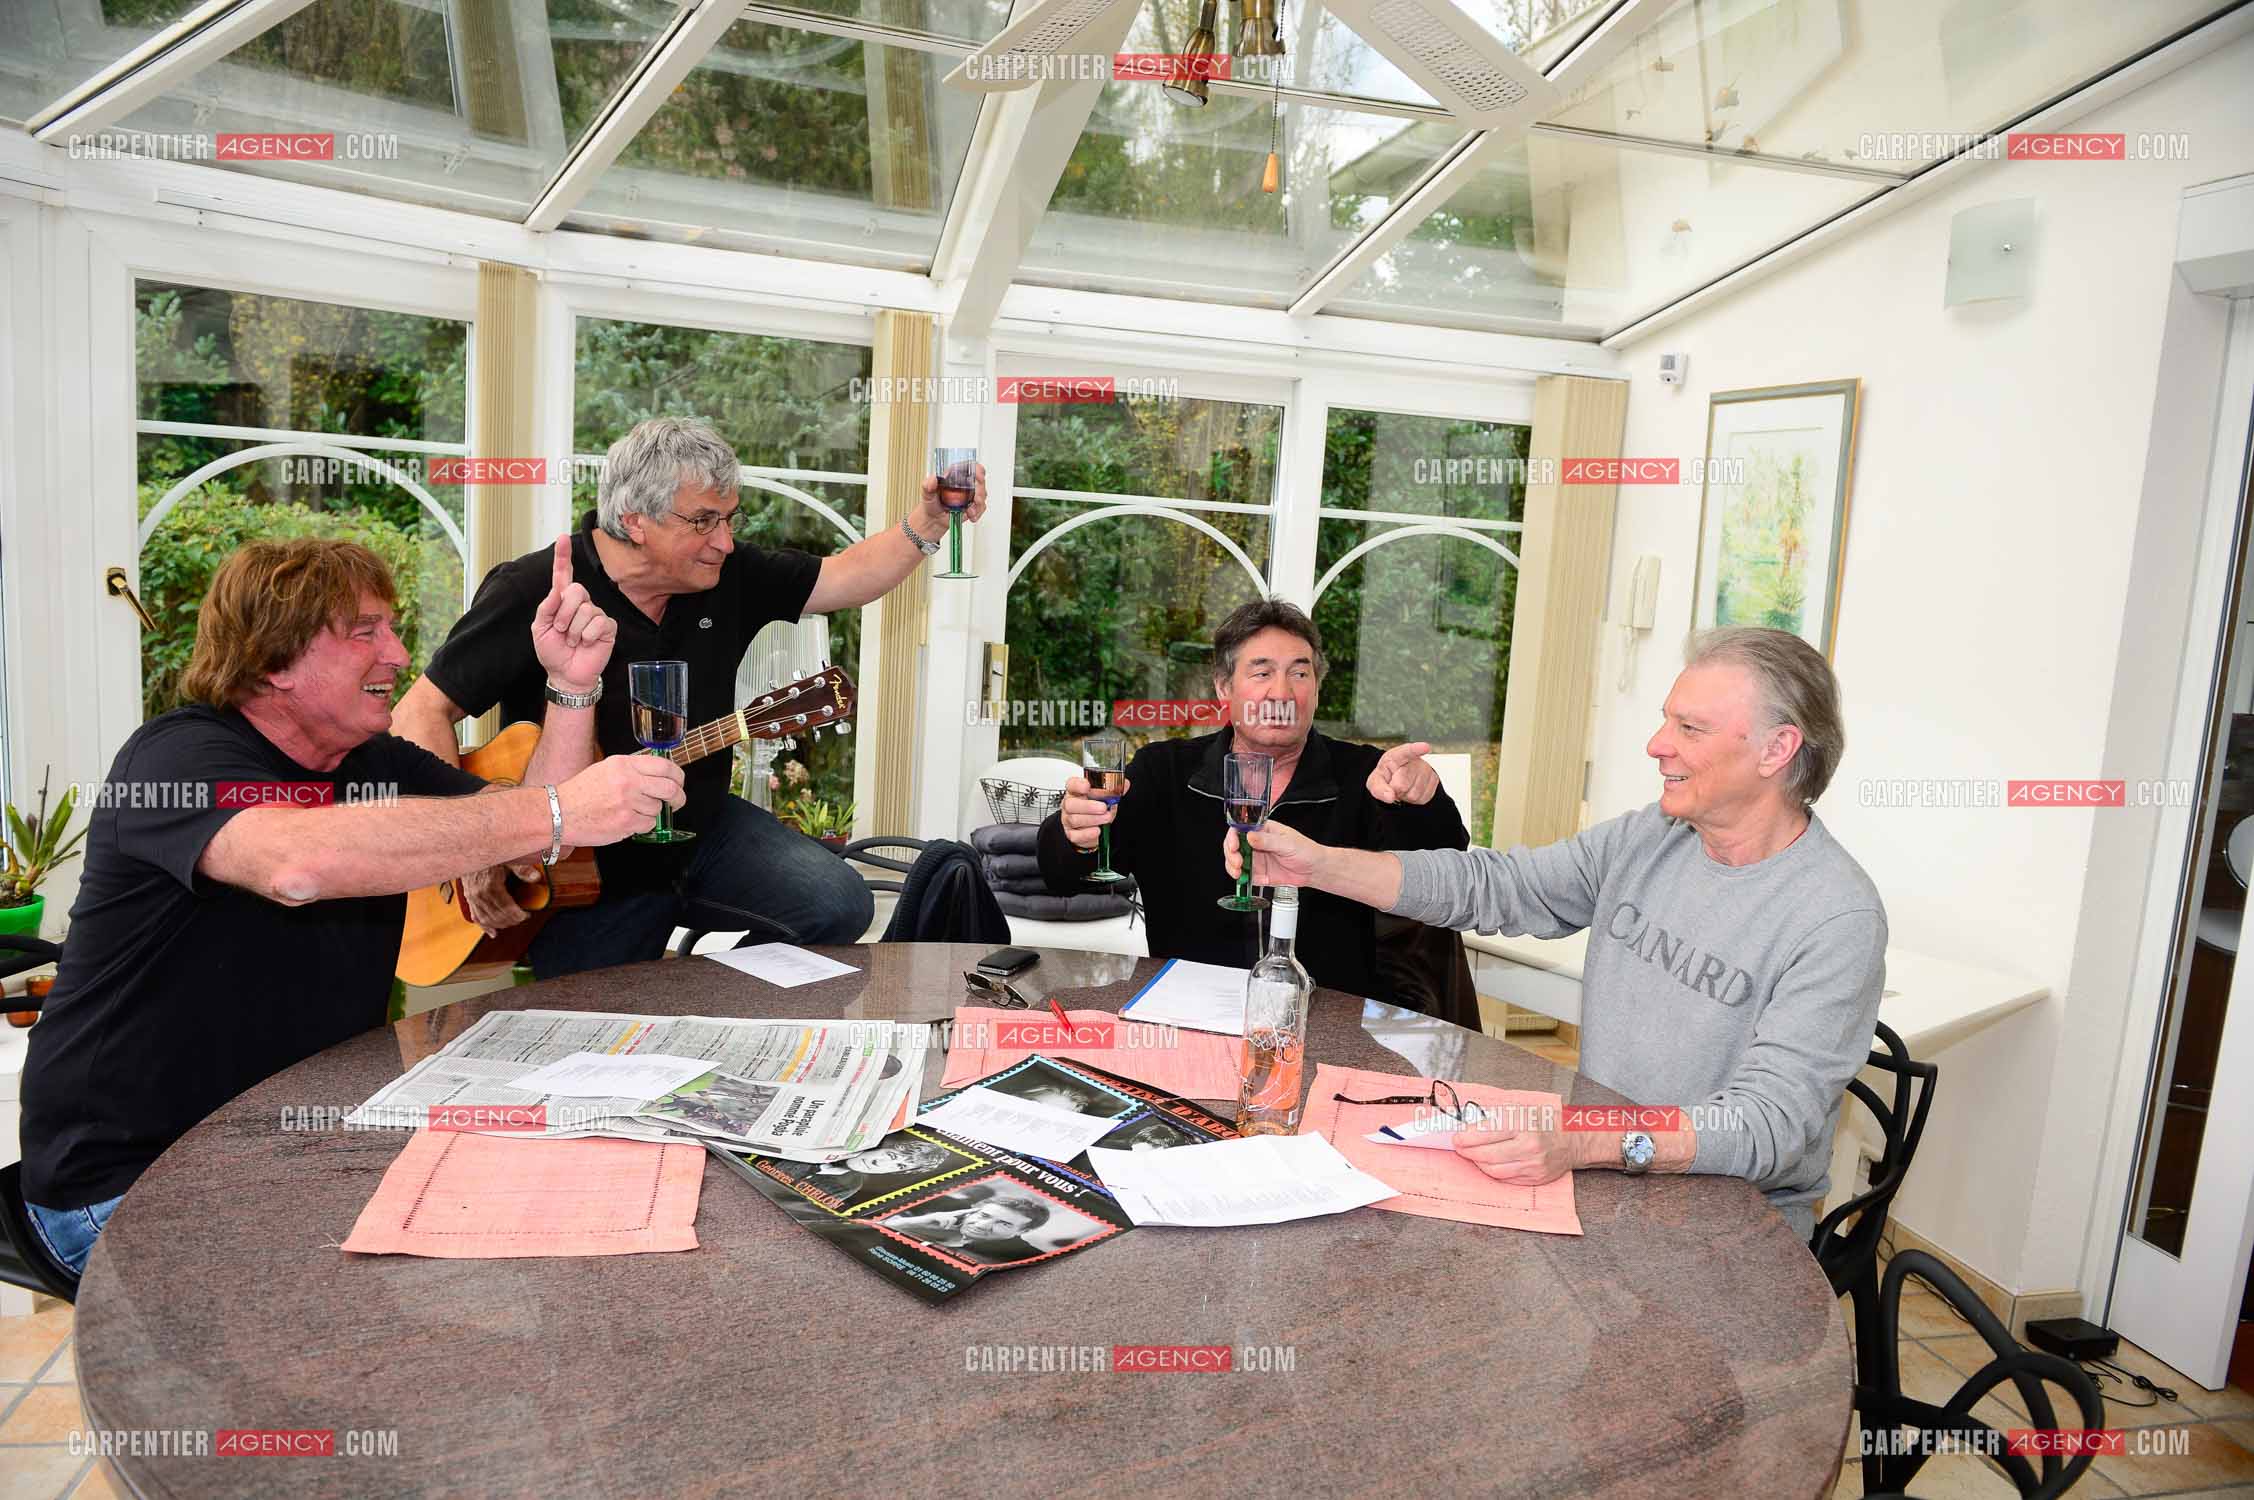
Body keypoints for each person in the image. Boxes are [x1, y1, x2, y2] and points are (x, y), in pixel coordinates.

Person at [21, 537, 679, 1275]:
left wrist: (569, 690)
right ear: (273, 660)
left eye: (392, 629)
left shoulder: (377, 764)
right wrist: (558, 811)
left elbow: (527, 843)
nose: (399, 655)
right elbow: (297, 864)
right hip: (130, 1184)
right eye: (365, 633)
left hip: (290, 1149)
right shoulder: (176, 757)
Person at [1229, 626, 1886, 1238]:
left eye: (1689, 727)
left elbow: (1768, 1125)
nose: (1658, 745)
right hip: (1605, 1180)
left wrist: (1582, 1139)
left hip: (1730, 1227)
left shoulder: (1834, 916)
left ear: (1778, 748)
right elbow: (1493, 886)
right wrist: (1317, 865)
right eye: (1666, 720)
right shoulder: (1648, 838)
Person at [394, 415, 988, 976]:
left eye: (730, 519)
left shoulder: (728, 575)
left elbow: (847, 577)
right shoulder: (535, 589)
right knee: (582, 1024)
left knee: (838, 902)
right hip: (581, 866)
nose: (724, 542)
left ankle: (707, 1000)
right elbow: (421, 711)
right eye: (703, 521)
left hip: (701, 826)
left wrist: (930, 522)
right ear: (634, 520)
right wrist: (472, 841)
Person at [1035, 598, 1470, 1000]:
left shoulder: (1365, 775)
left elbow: (1444, 862)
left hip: (1328, 1018)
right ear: (1224, 688)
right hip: (1188, 1009)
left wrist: (1421, 797)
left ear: (1317, 688)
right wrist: (1076, 834)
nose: (1281, 693)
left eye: (1300, 674)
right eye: (1261, 673)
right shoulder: (1164, 772)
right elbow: (1063, 874)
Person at [882, 1191, 1053, 1263]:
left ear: (1023, 1231)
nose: (981, 1225)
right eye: (984, 1215)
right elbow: (874, 1228)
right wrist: (919, 1221)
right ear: (971, 1211)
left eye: (1004, 1223)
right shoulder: (945, 1219)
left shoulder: (1025, 1255)